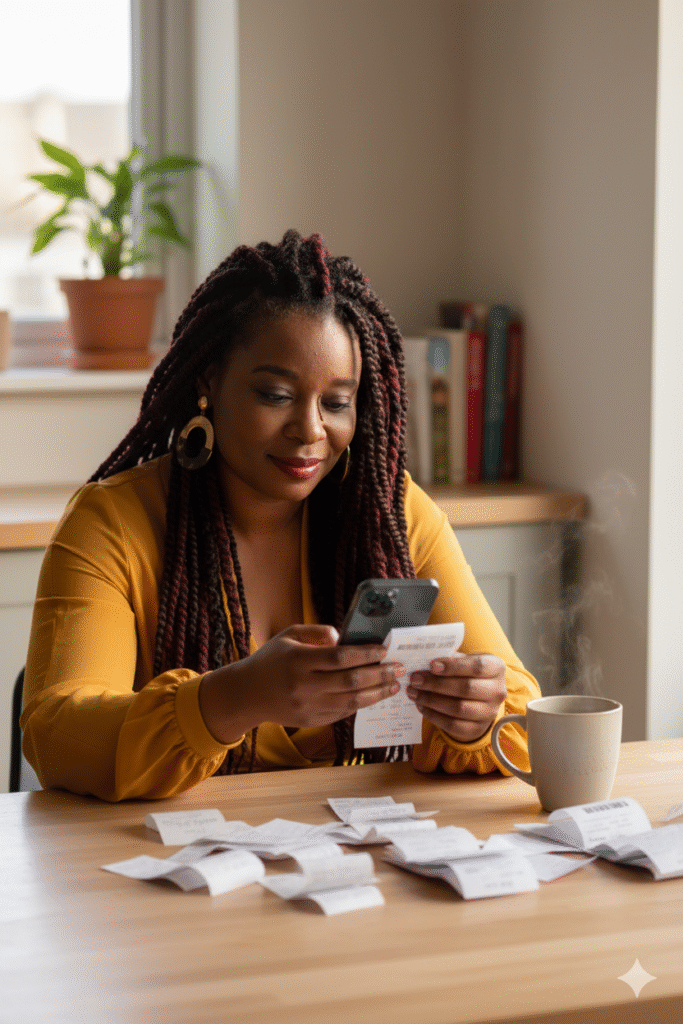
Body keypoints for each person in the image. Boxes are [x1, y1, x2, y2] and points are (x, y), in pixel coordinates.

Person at [22, 230, 540, 801]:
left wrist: (477, 716)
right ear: (208, 380)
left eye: (337, 402)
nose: (311, 430)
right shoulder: (111, 524)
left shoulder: (389, 514)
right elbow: (57, 735)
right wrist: (234, 699)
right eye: (275, 394)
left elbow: (522, 717)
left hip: (351, 848)